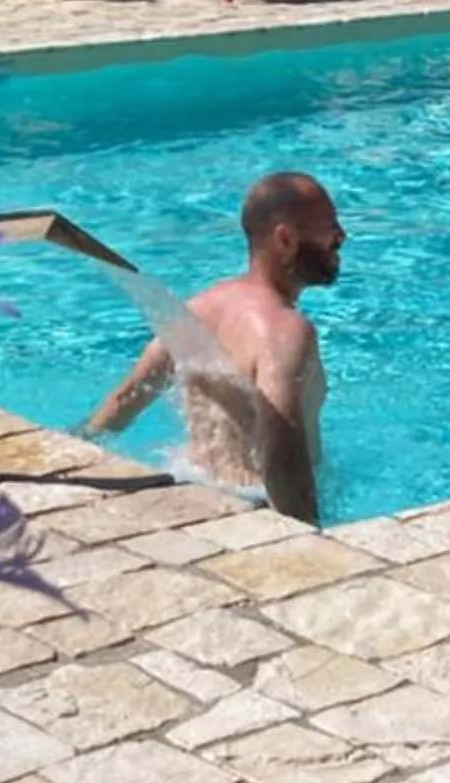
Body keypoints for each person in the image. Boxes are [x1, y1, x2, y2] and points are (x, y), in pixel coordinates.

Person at [82, 172, 345, 522]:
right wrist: (312, 541)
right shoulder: (285, 331)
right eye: (329, 226)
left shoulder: (197, 310)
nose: (341, 236)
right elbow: (281, 457)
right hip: (259, 510)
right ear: (286, 238)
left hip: (195, 488)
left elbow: (119, 406)